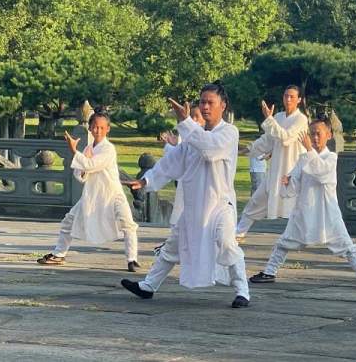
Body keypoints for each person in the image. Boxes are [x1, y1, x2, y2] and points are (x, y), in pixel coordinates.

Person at [120, 84, 251, 308]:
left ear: (223, 106)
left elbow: (210, 150)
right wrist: (145, 181)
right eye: (202, 102)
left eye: (210, 102)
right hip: (194, 205)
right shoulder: (192, 136)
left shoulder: (229, 132)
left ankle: (243, 292)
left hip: (220, 204)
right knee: (172, 246)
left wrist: (185, 122)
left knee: (227, 243)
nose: (205, 107)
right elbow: (171, 162)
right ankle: (148, 286)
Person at [249, 119, 356, 290]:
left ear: (328, 135)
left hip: (326, 212)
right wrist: (288, 182)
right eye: (312, 134)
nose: (315, 138)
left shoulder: (331, 158)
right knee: (283, 243)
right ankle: (269, 272)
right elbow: (293, 186)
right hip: (304, 210)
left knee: (347, 246)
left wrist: (309, 150)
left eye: (319, 134)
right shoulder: (303, 158)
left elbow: (321, 174)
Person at [38, 110, 139, 271]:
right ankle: (59, 254)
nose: (98, 130)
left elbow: (91, 165)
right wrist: (83, 163)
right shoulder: (88, 149)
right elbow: (80, 174)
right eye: (95, 127)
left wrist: (74, 151)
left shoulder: (108, 149)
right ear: (90, 128)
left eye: (101, 127)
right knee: (68, 221)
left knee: (128, 224)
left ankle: (132, 259)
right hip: (92, 194)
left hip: (112, 194)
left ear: (108, 129)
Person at [236, 85, 309, 237]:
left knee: (294, 208)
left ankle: (300, 238)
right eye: (286, 96)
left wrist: (269, 119)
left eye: (292, 97)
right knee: (256, 201)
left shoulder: (301, 119)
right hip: (275, 171)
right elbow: (267, 140)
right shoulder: (279, 117)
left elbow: (286, 138)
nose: (288, 99)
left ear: (299, 100)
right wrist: (248, 149)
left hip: (291, 172)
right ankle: (239, 233)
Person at [155, 105, 205, 227]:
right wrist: (170, 145)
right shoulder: (186, 134)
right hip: (184, 181)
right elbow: (178, 156)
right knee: (180, 213)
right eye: (192, 116)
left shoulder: (207, 136)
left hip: (202, 185)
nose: (194, 119)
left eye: (197, 116)